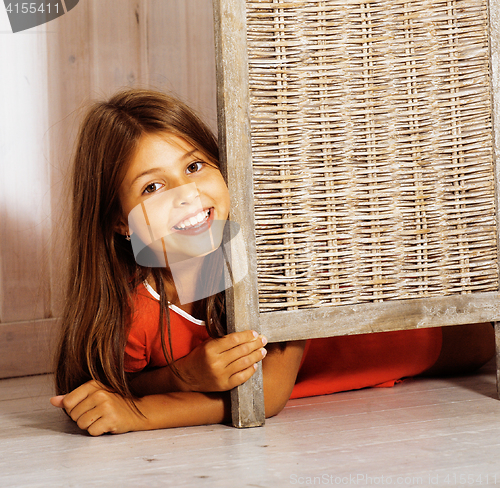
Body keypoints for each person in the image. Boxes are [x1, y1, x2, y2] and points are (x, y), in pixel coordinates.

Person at [50, 88, 495, 436]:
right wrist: (182, 376)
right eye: (152, 188)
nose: (187, 195)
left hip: (419, 334)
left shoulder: (273, 256)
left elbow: (268, 392)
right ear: (120, 223)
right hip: (379, 377)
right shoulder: (134, 310)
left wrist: (141, 414)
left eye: (194, 167)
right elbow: (115, 382)